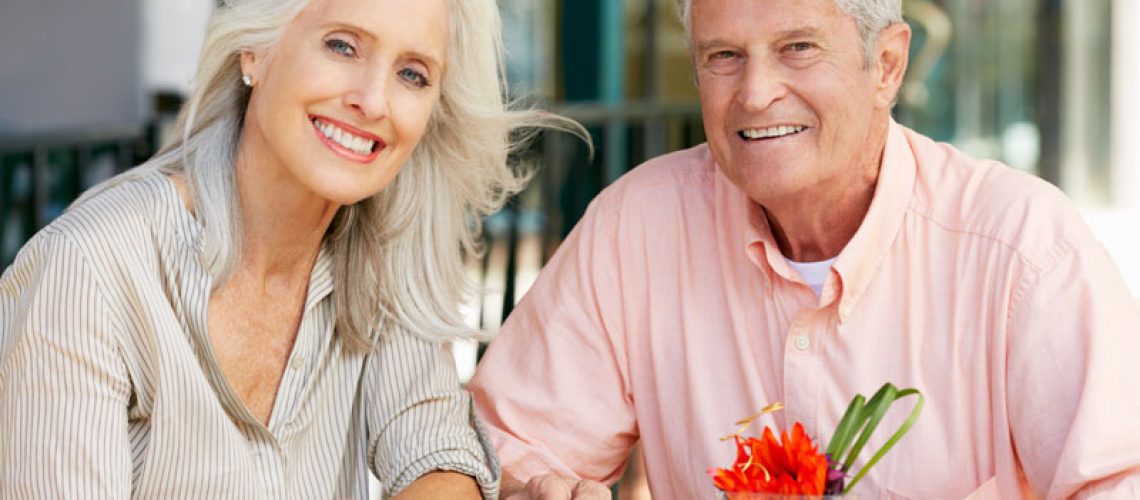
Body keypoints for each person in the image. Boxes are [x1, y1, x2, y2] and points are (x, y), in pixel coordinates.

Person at [469, 0, 1140, 498]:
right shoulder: (636, 229)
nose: (756, 94)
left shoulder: (1024, 249)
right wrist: (535, 490)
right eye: (724, 56)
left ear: (887, 65)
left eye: (797, 48)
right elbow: (503, 453)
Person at [0, 0, 571, 497]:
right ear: (254, 51)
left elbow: (438, 455)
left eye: (413, 74)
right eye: (342, 45)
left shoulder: (381, 256)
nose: (373, 101)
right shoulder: (90, 271)